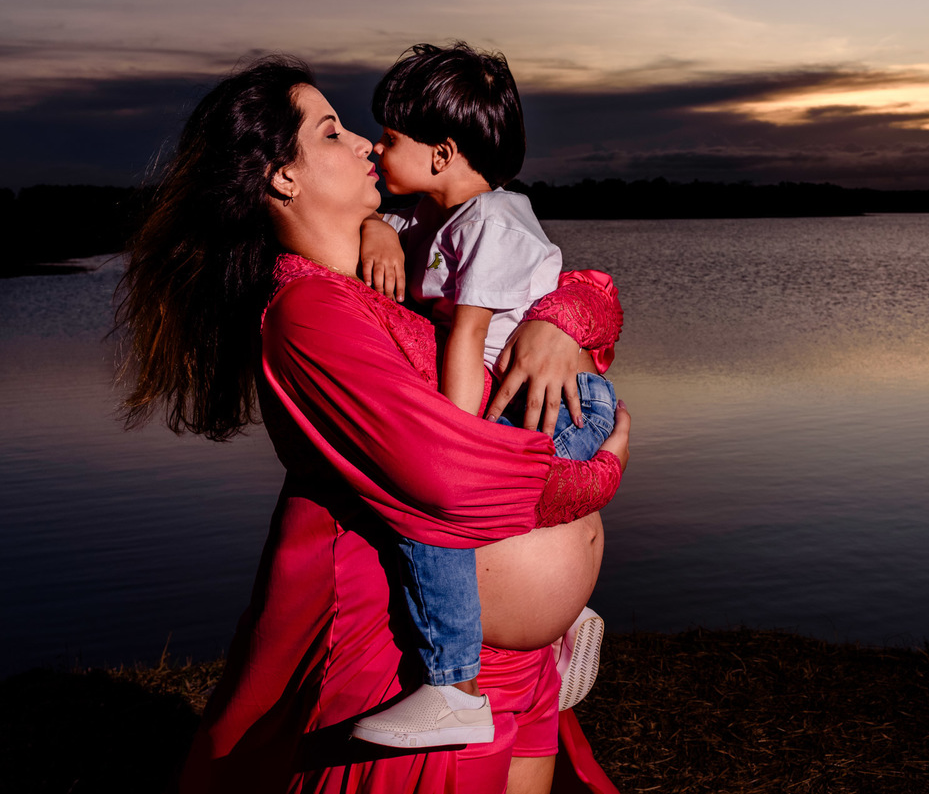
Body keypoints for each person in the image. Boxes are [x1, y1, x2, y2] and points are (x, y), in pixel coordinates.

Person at [117, 56, 629, 794]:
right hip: (415, 654)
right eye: (331, 132)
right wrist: (594, 478)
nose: (364, 143)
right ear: (281, 176)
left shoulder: (399, 258)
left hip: (515, 655)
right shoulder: (308, 312)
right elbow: (444, 479)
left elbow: (570, 284)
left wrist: (559, 320)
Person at [348, 43, 617, 749]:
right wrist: (376, 225)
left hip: (560, 401)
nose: (376, 147)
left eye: (391, 137)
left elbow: (467, 340)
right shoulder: (434, 220)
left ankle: (453, 683)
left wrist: (453, 447)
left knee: (437, 509)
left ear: (442, 153)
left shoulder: (494, 222)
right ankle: (564, 617)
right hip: (525, 397)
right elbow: (377, 224)